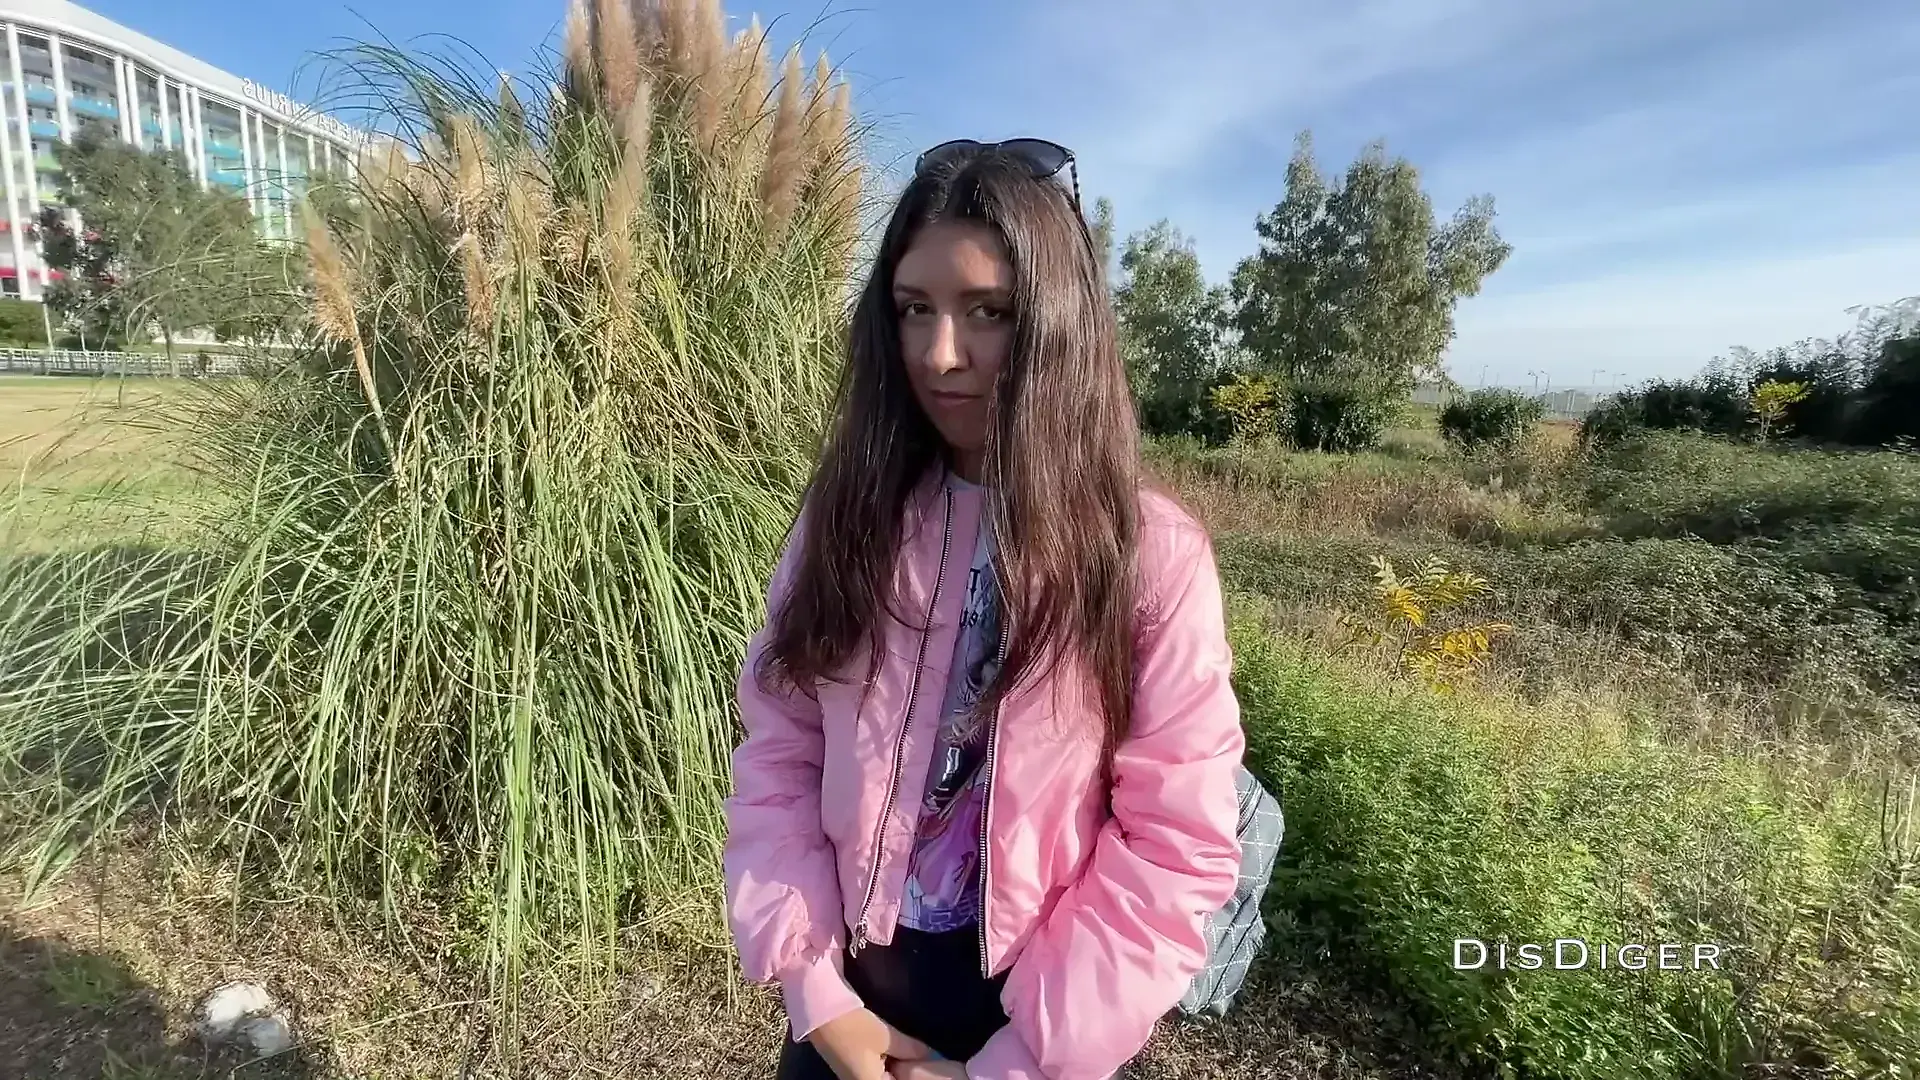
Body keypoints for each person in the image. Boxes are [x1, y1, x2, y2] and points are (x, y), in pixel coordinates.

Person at [723, 137, 1246, 1080]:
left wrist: (1020, 1061)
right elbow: (782, 744)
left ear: (1056, 321)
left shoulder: (1146, 556)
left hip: (1038, 1017)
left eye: (988, 312)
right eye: (914, 309)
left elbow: (1173, 845)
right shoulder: (850, 515)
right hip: (850, 995)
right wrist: (815, 990)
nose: (941, 354)